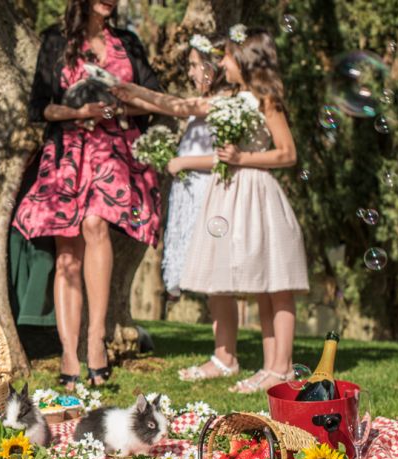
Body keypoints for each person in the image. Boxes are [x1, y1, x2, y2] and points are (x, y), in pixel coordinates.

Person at [115, 25, 309, 394]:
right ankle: (271, 368)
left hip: (259, 193)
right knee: (262, 285)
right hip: (233, 194)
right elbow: (181, 105)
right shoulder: (230, 101)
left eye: (228, 56)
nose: (222, 63)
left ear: (247, 60)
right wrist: (134, 92)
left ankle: (281, 367)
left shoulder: (266, 101)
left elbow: (287, 152)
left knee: (277, 286)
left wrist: (242, 157)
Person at [15, 0, 164, 391]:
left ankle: (96, 339)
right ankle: (68, 353)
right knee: (67, 249)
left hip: (114, 150)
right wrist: (79, 112)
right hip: (68, 151)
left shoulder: (128, 42)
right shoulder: (55, 40)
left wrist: (121, 102)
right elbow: (39, 108)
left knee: (96, 224)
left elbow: (153, 97)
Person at [159, 33, 243, 383]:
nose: (191, 71)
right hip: (195, 199)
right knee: (212, 282)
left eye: (195, 65)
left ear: (212, 67)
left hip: (213, 197)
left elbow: (224, 156)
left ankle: (226, 357)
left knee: (218, 279)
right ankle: (221, 354)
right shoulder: (210, 102)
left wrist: (183, 162)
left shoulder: (223, 103)